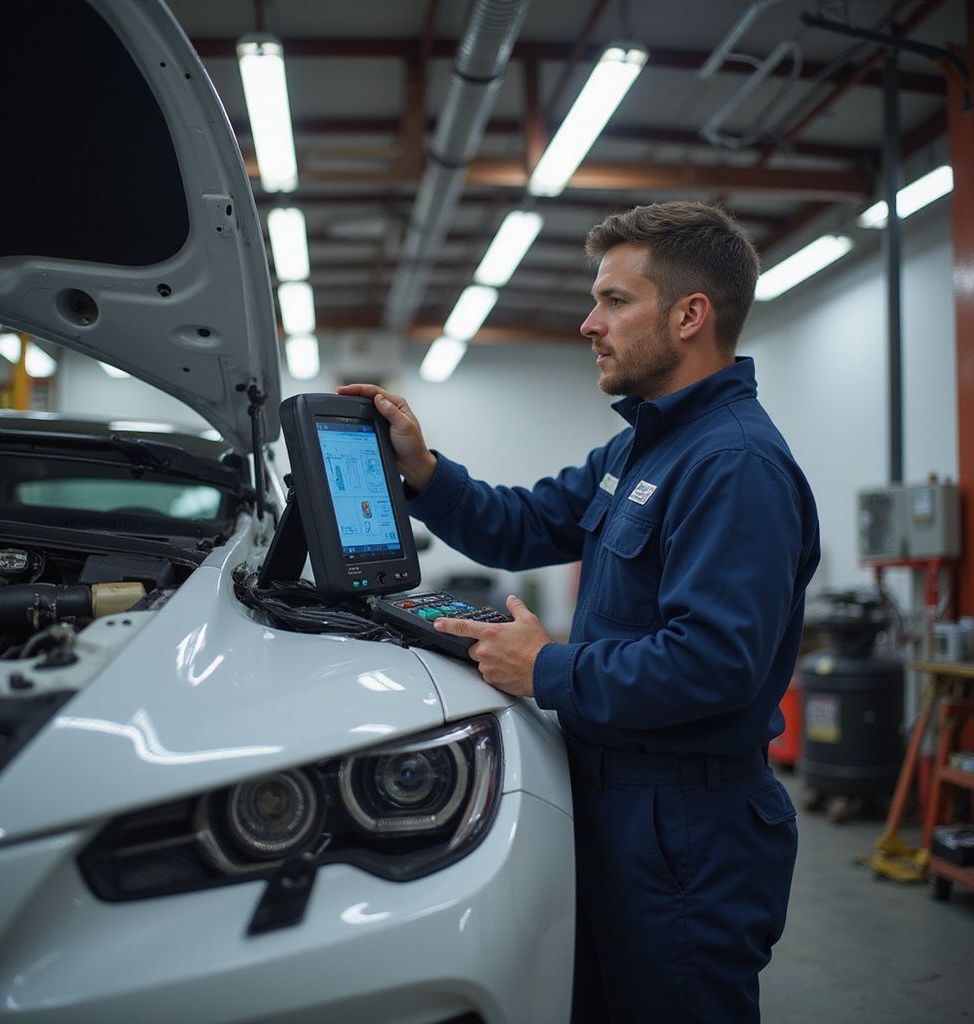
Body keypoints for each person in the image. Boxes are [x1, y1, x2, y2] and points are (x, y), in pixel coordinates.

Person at [338, 200, 820, 1024]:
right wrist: (421, 470)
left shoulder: (733, 463)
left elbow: (714, 663)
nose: (589, 323)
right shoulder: (642, 444)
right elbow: (525, 523)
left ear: (689, 315)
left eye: (614, 301)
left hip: (687, 827)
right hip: (616, 803)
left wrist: (545, 668)